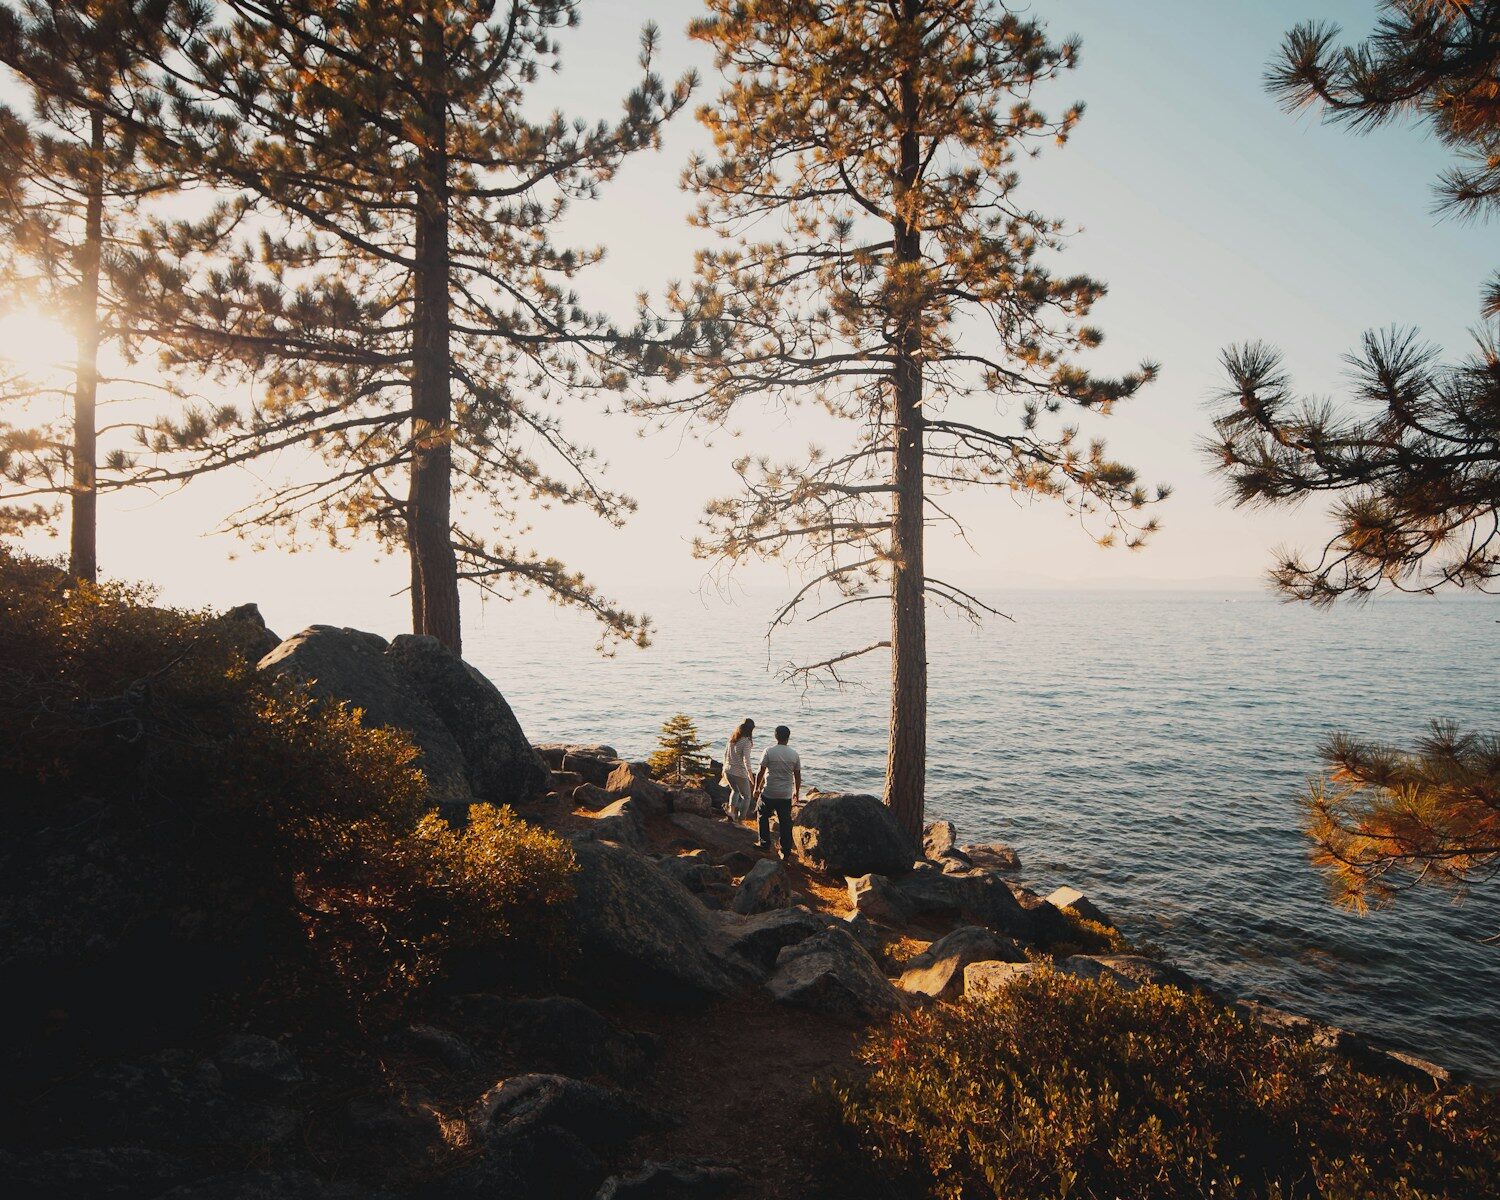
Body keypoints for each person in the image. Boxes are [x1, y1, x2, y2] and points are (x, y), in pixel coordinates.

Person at [753, 724, 801, 858]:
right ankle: (785, 852)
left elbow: (761, 771)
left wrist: (757, 788)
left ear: (775, 736)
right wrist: (796, 792)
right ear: (788, 737)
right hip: (785, 795)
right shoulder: (794, 754)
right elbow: (797, 775)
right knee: (785, 823)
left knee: (762, 816)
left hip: (769, 792)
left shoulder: (769, 751)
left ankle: (764, 844)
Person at [721, 718, 756, 822]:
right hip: (739, 772)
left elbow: (725, 754)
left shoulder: (732, 738)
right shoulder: (747, 741)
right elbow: (746, 759)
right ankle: (740, 819)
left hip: (728, 770)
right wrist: (750, 774)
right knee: (747, 796)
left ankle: (731, 813)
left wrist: (723, 769)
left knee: (735, 791)